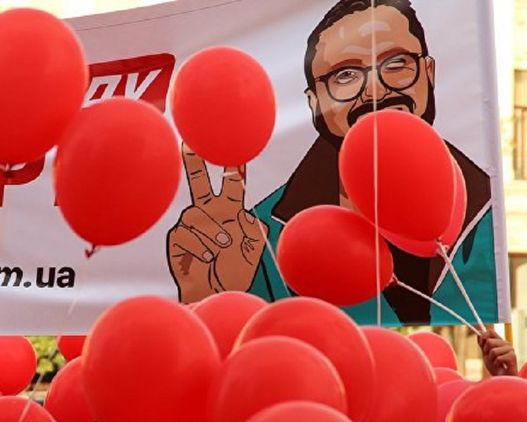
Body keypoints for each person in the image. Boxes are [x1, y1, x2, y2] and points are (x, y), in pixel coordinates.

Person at [167, 0, 496, 325]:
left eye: (397, 63)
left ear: (428, 73)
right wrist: (213, 297)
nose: (375, 91)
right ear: (314, 102)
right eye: (346, 75)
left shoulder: (486, 211)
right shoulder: (260, 236)